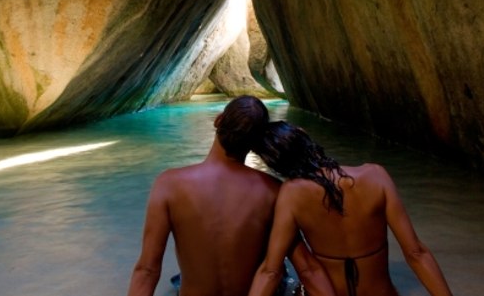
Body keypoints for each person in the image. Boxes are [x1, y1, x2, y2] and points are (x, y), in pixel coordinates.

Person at [127, 96, 335, 296]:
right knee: (280, 270)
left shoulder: (169, 184)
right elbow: (307, 268)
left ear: (218, 121)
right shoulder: (273, 190)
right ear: (255, 145)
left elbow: (147, 270)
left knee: (181, 279)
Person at [247, 122, 453, 296]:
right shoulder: (376, 176)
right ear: (304, 136)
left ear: (277, 166)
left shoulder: (290, 195)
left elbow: (270, 272)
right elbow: (416, 253)